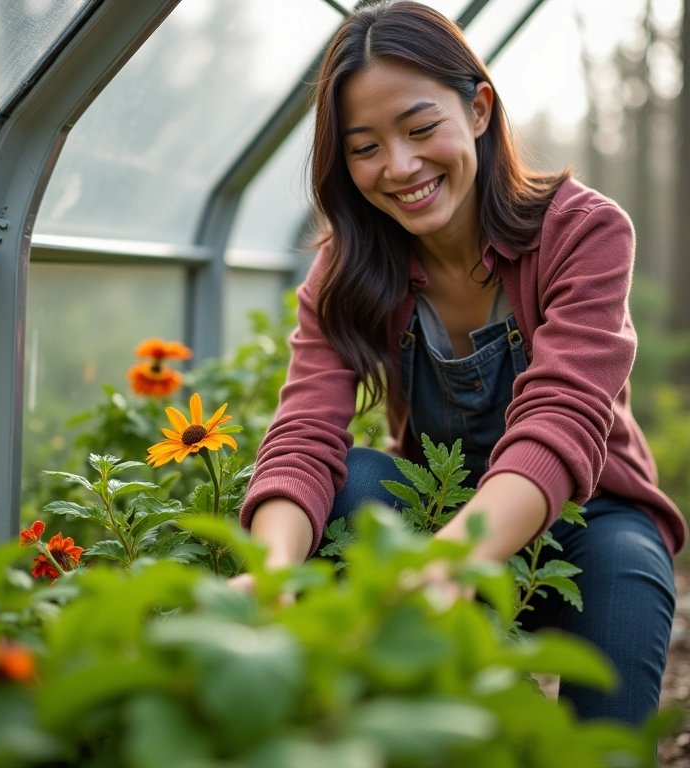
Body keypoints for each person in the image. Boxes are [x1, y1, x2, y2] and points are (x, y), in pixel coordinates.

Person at [237, 0, 687, 725]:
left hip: (588, 521)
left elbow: (561, 419)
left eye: (421, 129)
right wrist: (271, 572)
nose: (400, 166)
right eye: (364, 147)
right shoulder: (344, 275)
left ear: (478, 109)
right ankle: (426, 713)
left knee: (617, 655)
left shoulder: (583, 232)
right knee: (353, 482)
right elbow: (303, 436)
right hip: (438, 516)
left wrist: (452, 558)